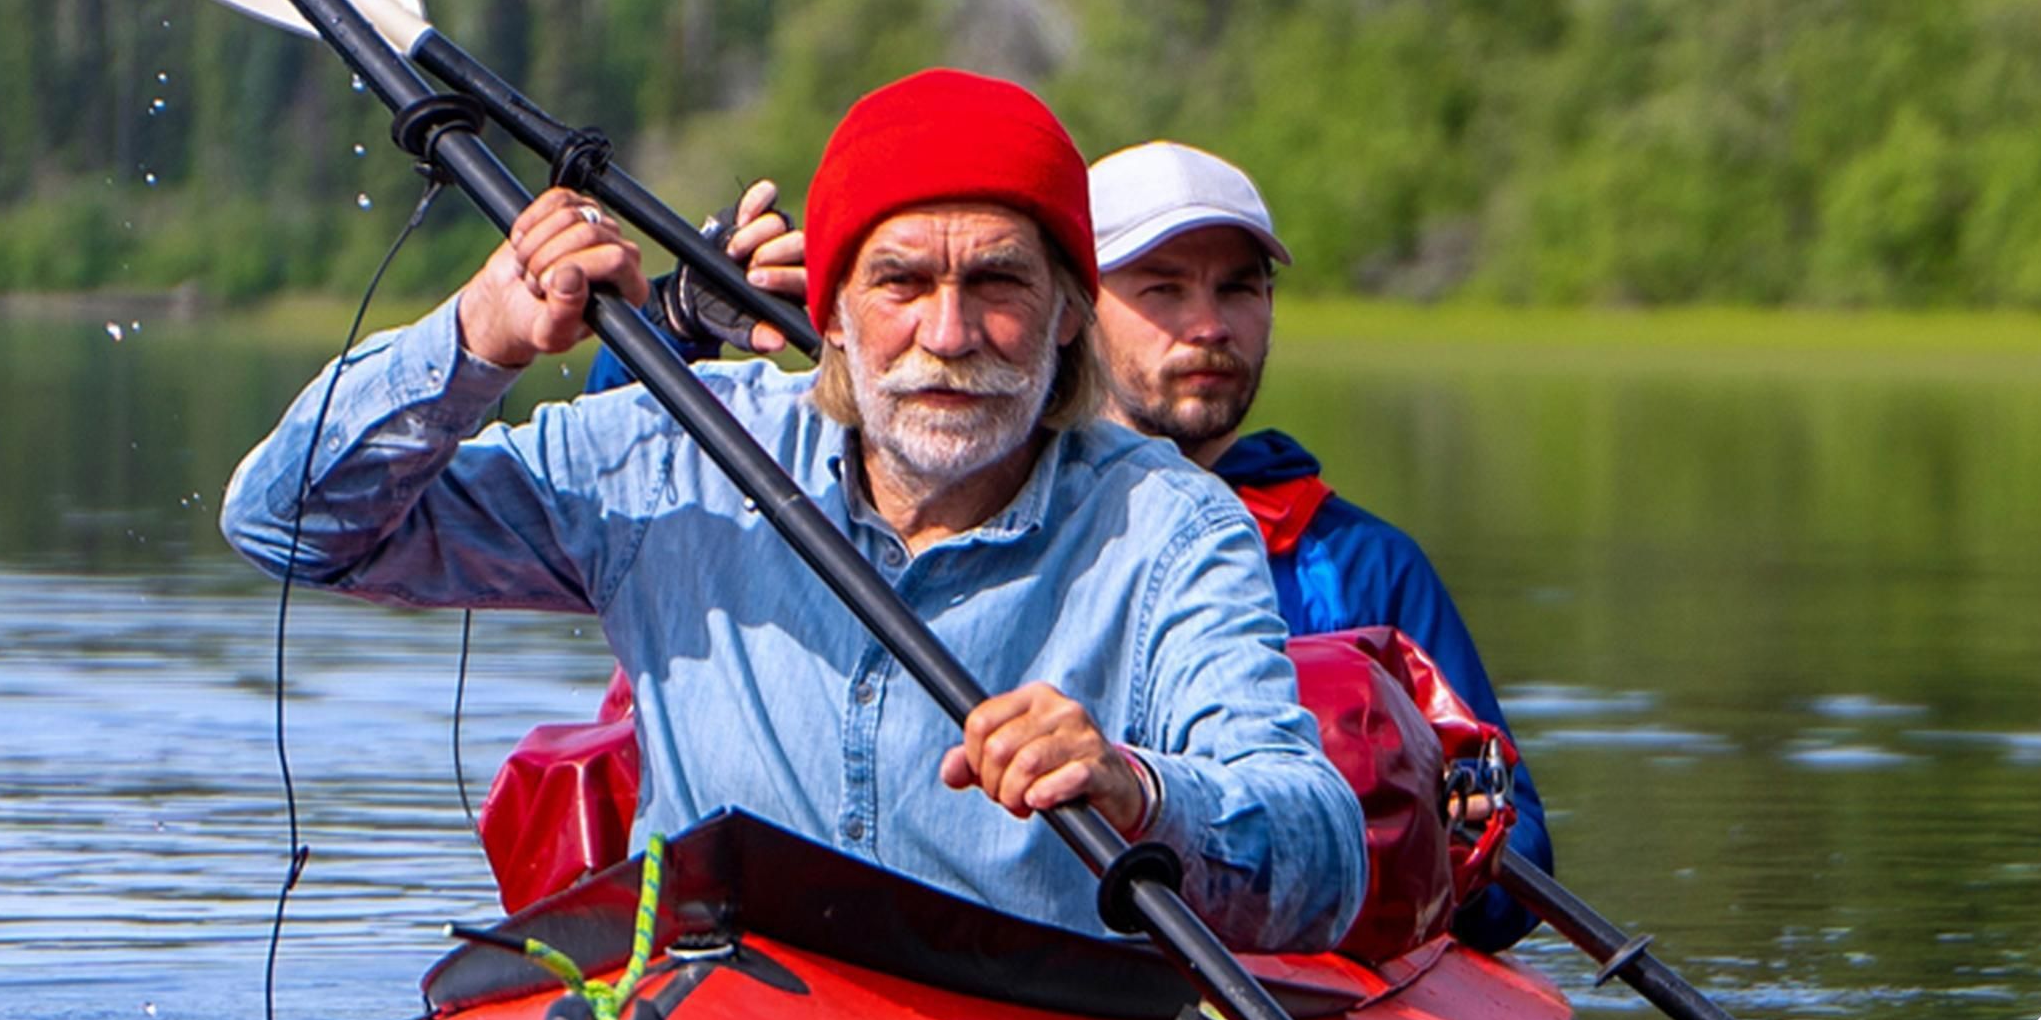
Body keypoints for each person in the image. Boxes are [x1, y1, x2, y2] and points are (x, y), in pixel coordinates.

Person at [222, 71, 1366, 951]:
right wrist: (476, 341)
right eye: (902, 282)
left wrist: (1140, 790)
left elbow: (1321, 854)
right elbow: (290, 526)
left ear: (1071, 313)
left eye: (1000, 285)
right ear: (831, 311)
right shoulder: (676, 452)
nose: (950, 334)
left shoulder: (1170, 529)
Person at [1086, 139, 1549, 949]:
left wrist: (1449, 844)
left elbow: (1523, 869)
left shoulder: (1365, 563)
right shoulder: (1006, 523)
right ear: (1072, 309)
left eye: (1239, 290)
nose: (1208, 326)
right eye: (1163, 290)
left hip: (1301, 984)